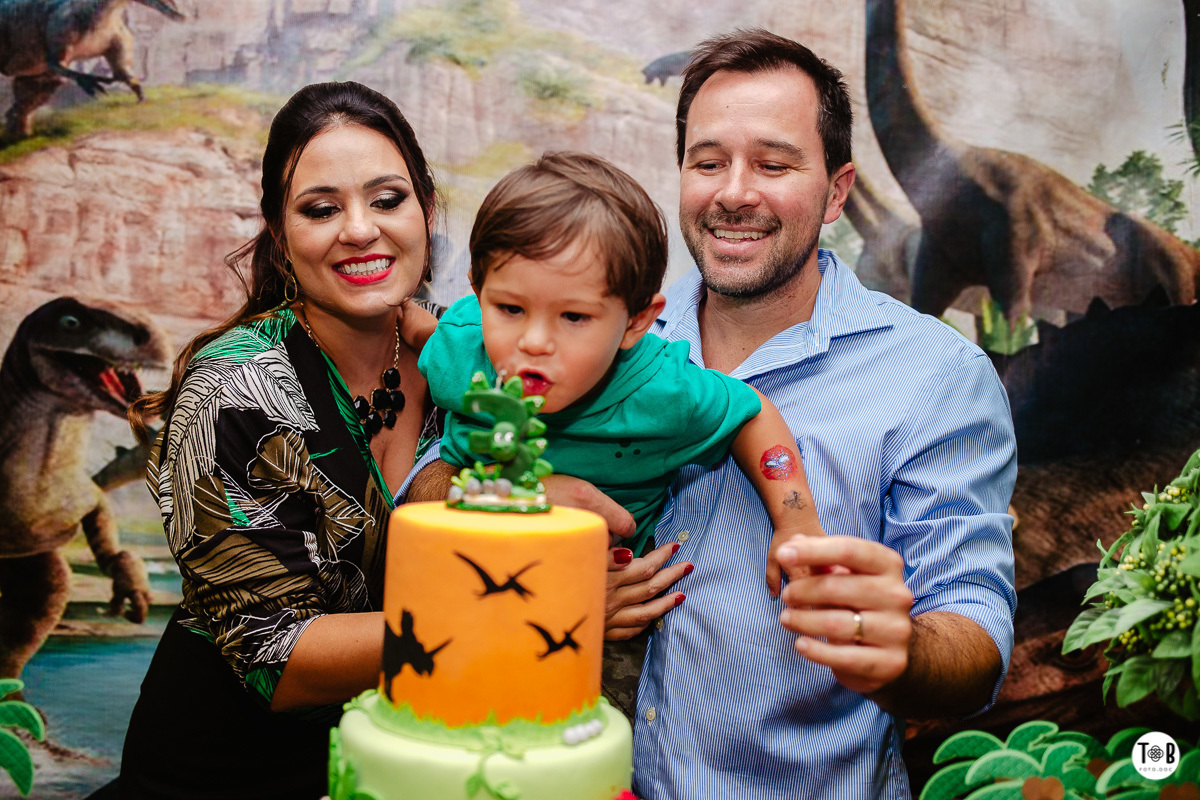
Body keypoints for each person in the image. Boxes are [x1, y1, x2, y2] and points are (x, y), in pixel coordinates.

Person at [411, 28, 1017, 799]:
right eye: (708, 162)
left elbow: (974, 633)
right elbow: (431, 488)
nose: (734, 192)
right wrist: (536, 556)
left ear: (836, 190)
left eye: (774, 163)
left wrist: (901, 651)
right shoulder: (578, 323)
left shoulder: (935, 375)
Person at [115, 81, 443, 800]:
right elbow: (278, 660)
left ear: (425, 206)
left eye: (387, 199)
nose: (360, 229)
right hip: (225, 773)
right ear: (279, 231)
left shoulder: (469, 357)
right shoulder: (233, 388)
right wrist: (527, 614)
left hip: (404, 767)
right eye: (321, 209)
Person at [418, 151, 826, 593]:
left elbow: (753, 414)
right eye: (509, 309)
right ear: (479, 293)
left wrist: (796, 517)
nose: (533, 342)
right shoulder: (458, 348)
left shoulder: (662, 392)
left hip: (602, 601)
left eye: (574, 317)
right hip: (457, 573)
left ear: (636, 321)